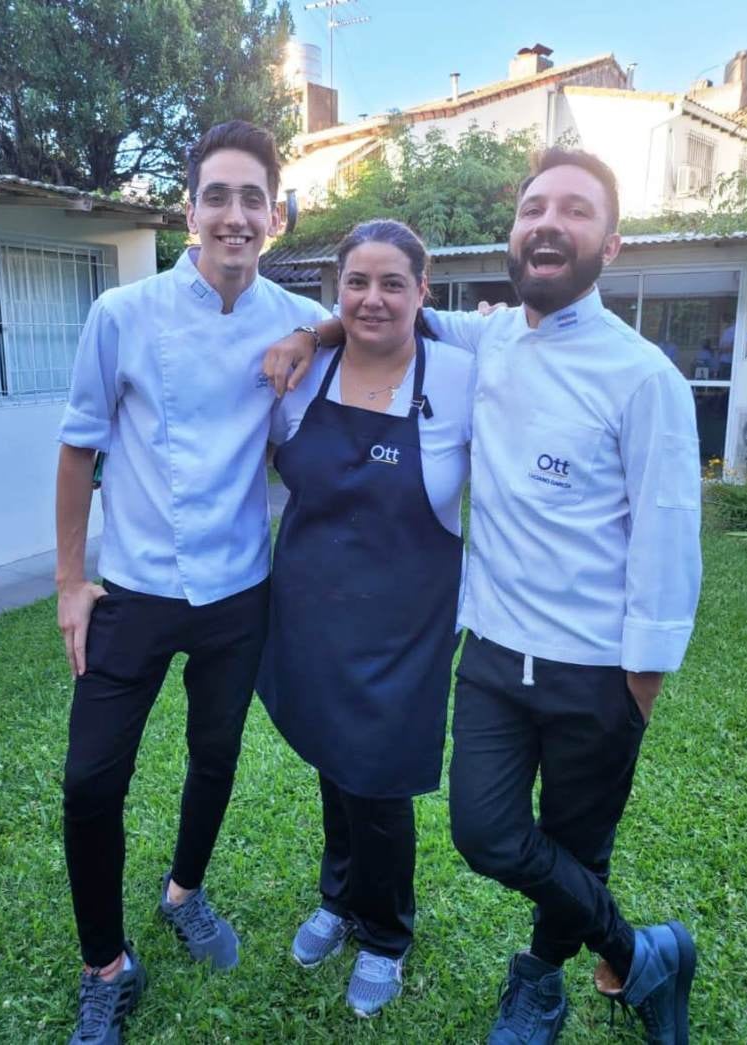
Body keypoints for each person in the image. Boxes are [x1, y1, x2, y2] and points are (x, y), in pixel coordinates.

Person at [264, 149, 702, 1044]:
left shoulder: (643, 376)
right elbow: (376, 312)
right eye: (534, 207)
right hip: (496, 652)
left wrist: (642, 682)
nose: (548, 222)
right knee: (487, 834)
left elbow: (667, 538)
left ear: (610, 244)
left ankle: (540, 984)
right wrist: (311, 334)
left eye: (574, 210)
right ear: (512, 235)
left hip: (596, 665)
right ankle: (648, 951)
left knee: (578, 845)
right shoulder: (487, 339)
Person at [55, 119, 329, 1045]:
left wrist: (325, 327)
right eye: (218, 194)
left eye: (253, 197)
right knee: (90, 781)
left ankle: (184, 892)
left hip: (237, 592)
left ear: (276, 217)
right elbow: (78, 445)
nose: (235, 215)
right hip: (132, 589)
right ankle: (106, 964)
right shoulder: (123, 315)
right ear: (189, 209)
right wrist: (67, 581)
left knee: (215, 758)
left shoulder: (290, 325)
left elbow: (359, 343)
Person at [259, 219, 474, 1018]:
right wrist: (309, 331)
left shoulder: (458, 373)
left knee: (378, 779)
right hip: (313, 612)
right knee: (333, 759)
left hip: (404, 621)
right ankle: (339, 896)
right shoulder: (304, 374)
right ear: (334, 291)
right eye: (356, 283)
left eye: (393, 283)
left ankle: (386, 932)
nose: (372, 299)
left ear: (424, 293)